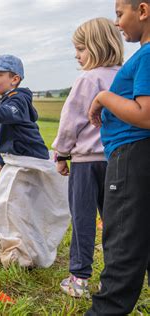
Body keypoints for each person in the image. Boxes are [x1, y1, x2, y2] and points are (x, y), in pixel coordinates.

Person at [0, 55, 70, 268]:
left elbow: (2, 115)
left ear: (15, 79)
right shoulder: (8, 99)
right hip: (17, 161)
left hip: (29, 163)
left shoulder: (17, 100)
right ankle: (18, 248)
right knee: (16, 207)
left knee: (4, 203)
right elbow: (10, 137)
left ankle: (18, 252)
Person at [86, 0, 150, 314]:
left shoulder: (148, 55)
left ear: (143, 10)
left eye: (119, 14)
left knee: (122, 240)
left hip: (131, 156)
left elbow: (145, 115)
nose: (117, 23)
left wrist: (103, 97)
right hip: (140, 157)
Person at [52, 17, 124, 298]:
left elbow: (71, 120)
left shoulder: (88, 78)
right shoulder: (124, 75)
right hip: (117, 159)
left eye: (80, 48)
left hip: (84, 163)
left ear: (95, 47)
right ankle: (112, 280)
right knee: (114, 221)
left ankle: (79, 278)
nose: (76, 55)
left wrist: (61, 153)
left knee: (83, 219)